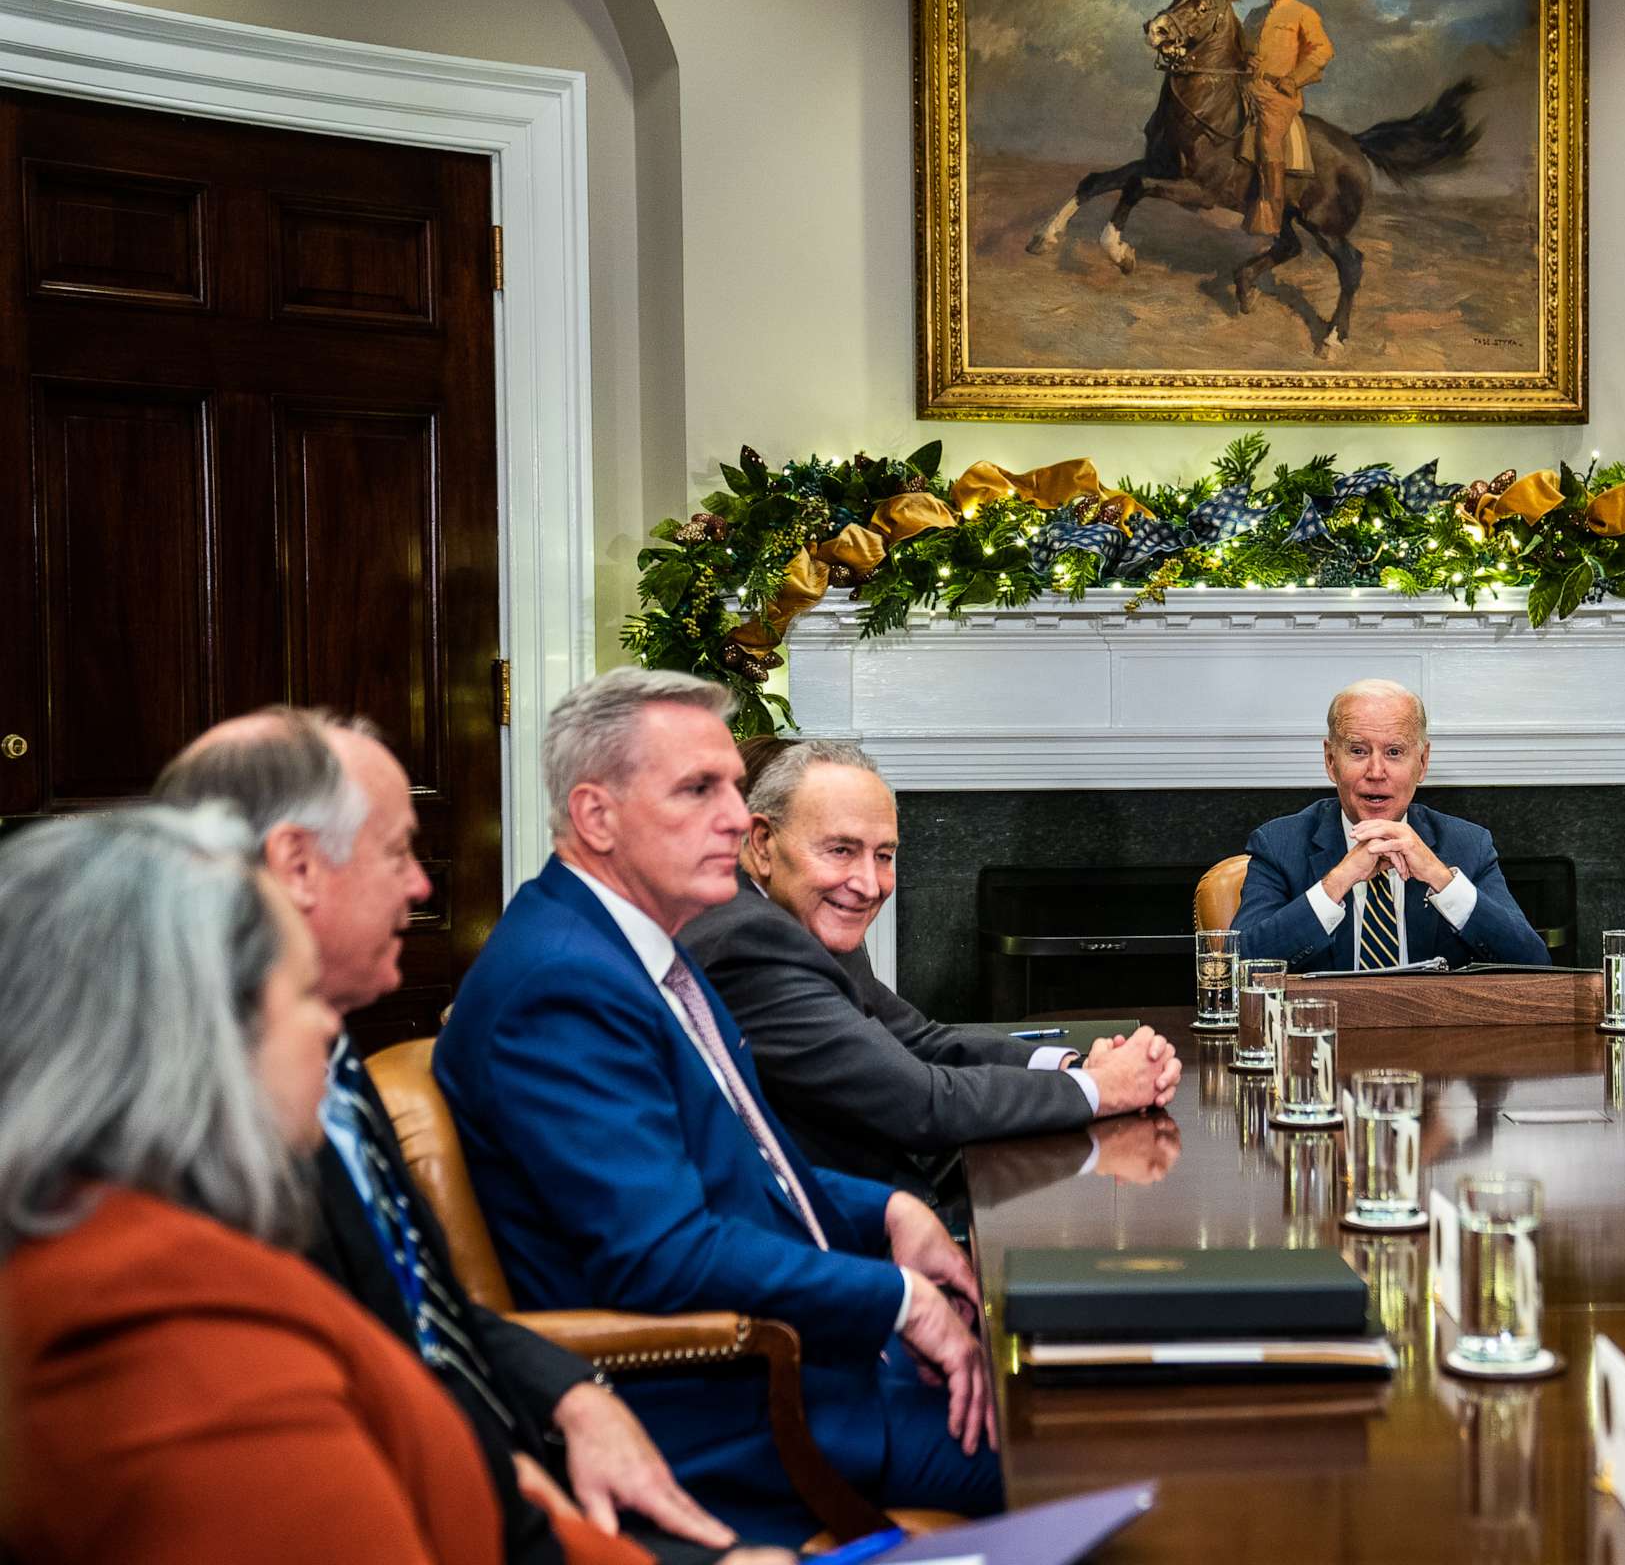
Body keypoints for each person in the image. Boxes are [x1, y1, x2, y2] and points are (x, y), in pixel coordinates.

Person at [0, 807, 787, 1564]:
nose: (329, 1032)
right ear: (193, 1038)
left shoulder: (164, 1250)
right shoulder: (153, 1314)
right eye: (302, 995)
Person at [154, 708, 738, 1565]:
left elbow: (425, 1304)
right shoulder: (205, 1120)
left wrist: (573, 1393)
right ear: (298, 866)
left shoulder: (330, 1053)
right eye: (396, 852)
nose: (422, 885)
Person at [436, 669, 1001, 1547]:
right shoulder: (561, 987)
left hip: (822, 1362)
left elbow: (743, 1168)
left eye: (733, 788)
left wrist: (887, 1208)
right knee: (1101, 1445)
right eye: (699, 790)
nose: (739, 820)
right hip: (743, 1416)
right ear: (596, 816)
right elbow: (662, 1256)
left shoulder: (638, 946)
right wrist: (898, 1300)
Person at [676, 740, 1181, 1189]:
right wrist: (1099, 1089)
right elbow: (921, 1103)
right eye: (840, 850)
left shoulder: (798, 913)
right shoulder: (751, 940)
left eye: (884, 856)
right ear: (762, 843)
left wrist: (1067, 1064)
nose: (869, 885)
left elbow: (919, 1039)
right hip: (840, 1231)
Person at [1233, 679, 1549, 972]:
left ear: (1422, 763)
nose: (1376, 771)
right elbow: (1240, 968)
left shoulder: (1467, 845)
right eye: (1358, 751)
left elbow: (1535, 966)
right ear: (1331, 761)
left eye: (1394, 752)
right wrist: (1337, 883)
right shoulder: (1279, 844)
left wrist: (1442, 880)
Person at [1240, 0, 1333, 235]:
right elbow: (1241, 48)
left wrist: (1294, 79)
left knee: (1268, 140)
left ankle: (1270, 210)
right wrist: (1245, 58)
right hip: (1246, 85)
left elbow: (1323, 50)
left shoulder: (1304, 14)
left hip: (1279, 94)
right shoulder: (1254, 15)